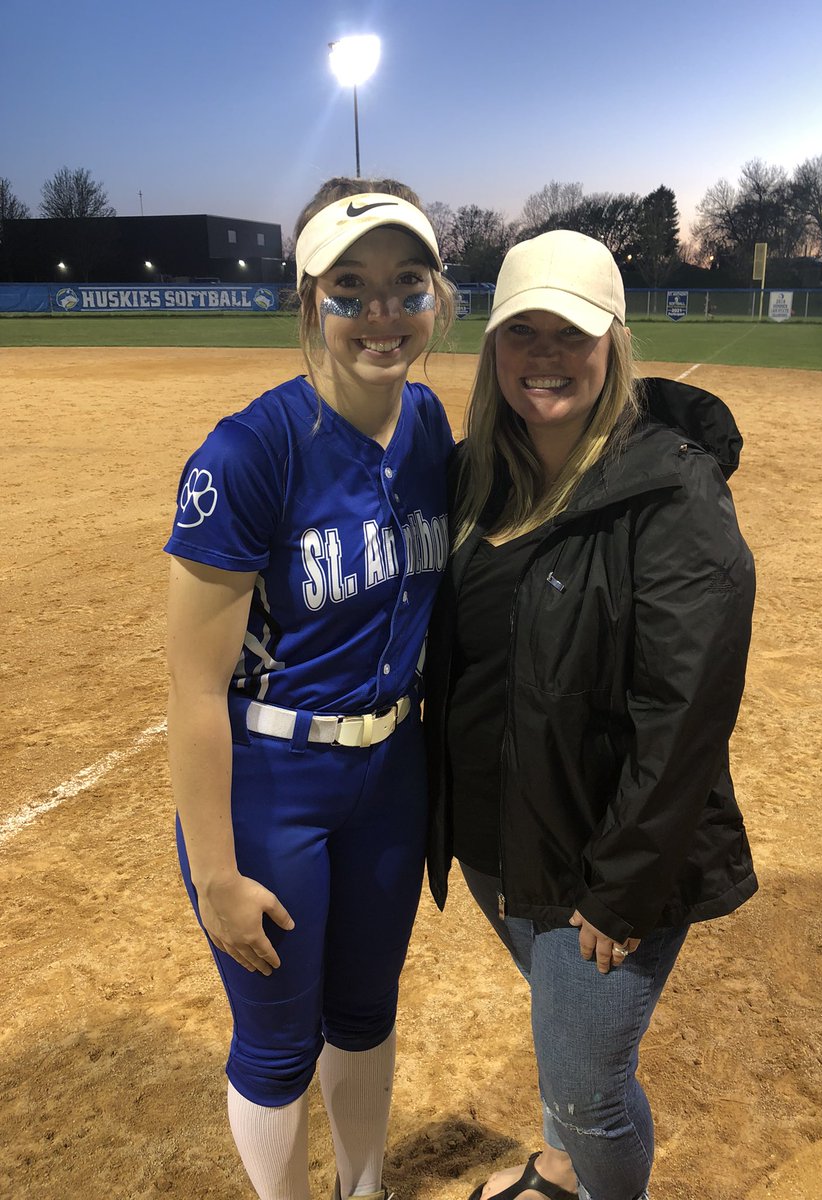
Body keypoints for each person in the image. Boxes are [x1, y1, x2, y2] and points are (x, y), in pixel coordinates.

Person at [424, 230, 757, 1200]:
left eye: (570, 333)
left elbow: (686, 712)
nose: (546, 355)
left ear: (613, 339)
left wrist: (626, 885)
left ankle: (600, 1176)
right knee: (561, 1046)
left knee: (585, 1087)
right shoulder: (474, 475)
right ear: (493, 345)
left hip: (605, 858)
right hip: (499, 841)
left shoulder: (673, 490)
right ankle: (564, 1172)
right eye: (521, 331)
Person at [165, 177, 456, 1200]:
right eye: (351, 288)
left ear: (436, 297)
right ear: (307, 301)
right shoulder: (251, 451)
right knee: (279, 1044)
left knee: (367, 1014)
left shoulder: (429, 427)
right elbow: (193, 691)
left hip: (392, 777)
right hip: (274, 786)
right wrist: (216, 874)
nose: (383, 312)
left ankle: (364, 1190)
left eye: (407, 284)